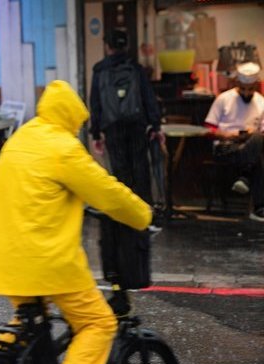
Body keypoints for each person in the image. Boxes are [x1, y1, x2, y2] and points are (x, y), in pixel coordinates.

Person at [0, 80, 152, 364]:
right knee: (99, 322)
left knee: (28, 325)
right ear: (72, 118)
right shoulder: (63, 147)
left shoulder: (20, 140)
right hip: (47, 261)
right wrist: (143, 215)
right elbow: (106, 192)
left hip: (5, 259)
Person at [89, 28, 162, 309]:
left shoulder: (99, 70)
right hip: (135, 126)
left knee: (119, 176)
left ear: (108, 46)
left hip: (113, 128)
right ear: (126, 45)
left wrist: (97, 133)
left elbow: (96, 102)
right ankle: (143, 220)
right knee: (139, 173)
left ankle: (124, 218)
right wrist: (155, 125)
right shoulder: (136, 68)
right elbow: (147, 98)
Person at [204, 62, 264, 222]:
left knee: (258, 138)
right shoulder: (223, 99)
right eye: (243, 88)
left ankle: (244, 176)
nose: (246, 93)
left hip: (249, 146)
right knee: (257, 158)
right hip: (225, 148)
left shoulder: (261, 102)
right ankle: (258, 207)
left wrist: (249, 134)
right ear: (237, 83)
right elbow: (208, 129)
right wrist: (230, 135)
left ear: (256, 85)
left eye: (250, 89)